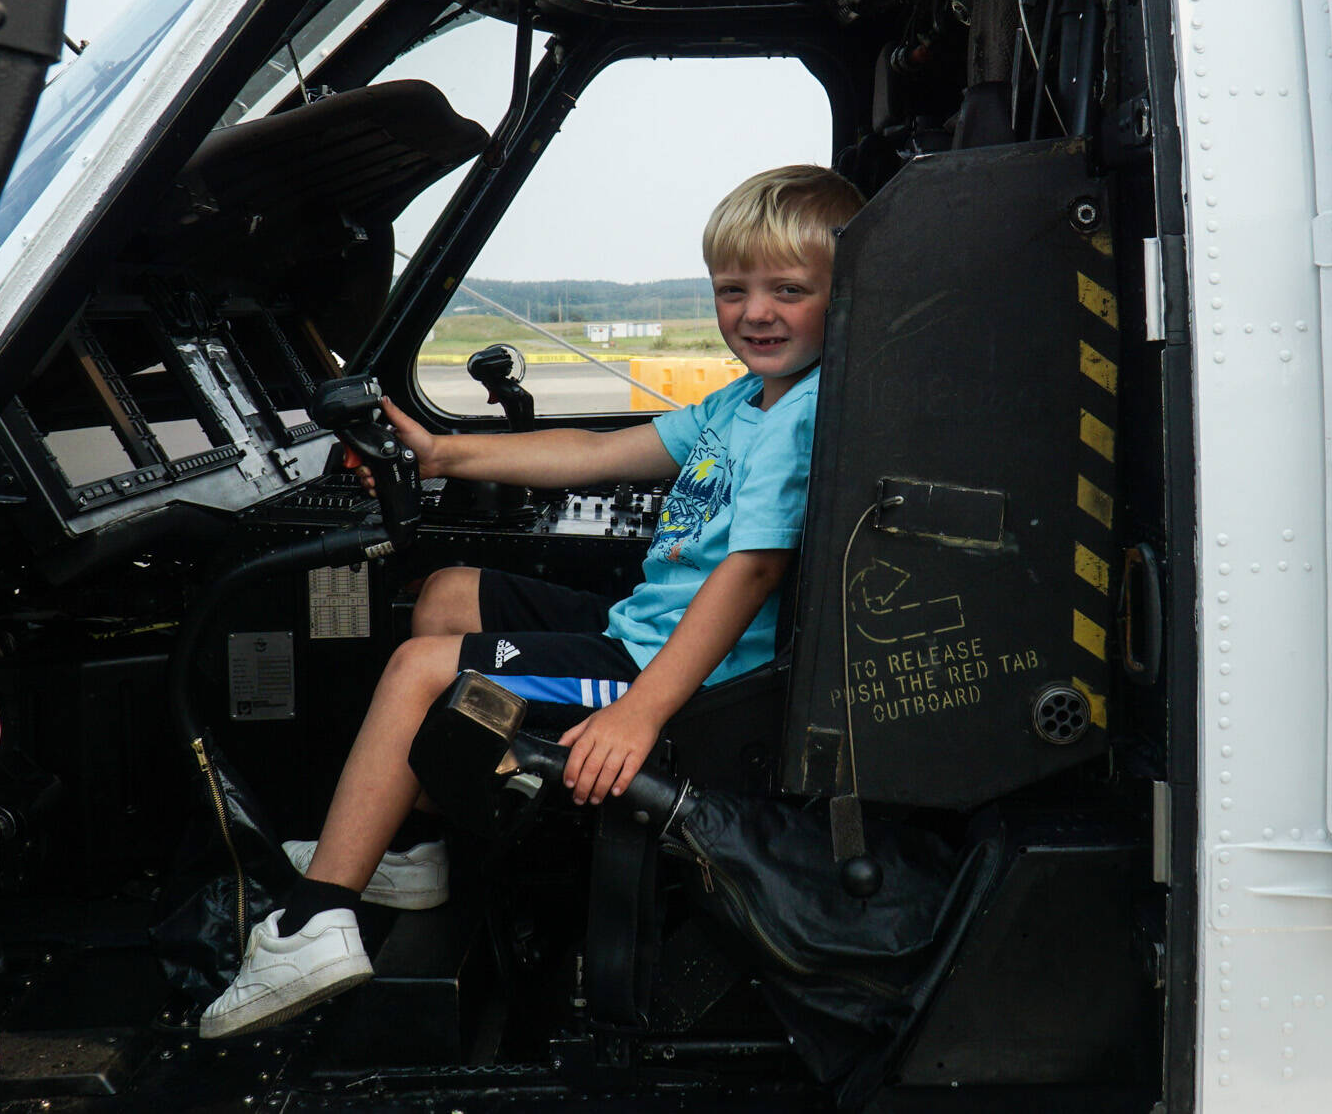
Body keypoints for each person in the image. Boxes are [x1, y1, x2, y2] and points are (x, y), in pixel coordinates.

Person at [199, 164, 867, 1039]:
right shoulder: (745, 400)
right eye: (733, 289)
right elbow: (598, 453)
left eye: (789, 290)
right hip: (641, 633)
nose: (756, 312)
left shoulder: (798, 417)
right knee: (448, 595)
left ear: (842, 296)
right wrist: (443, 452)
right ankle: (411, 842)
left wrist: (638, 713)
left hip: (680, 680)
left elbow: (752, 573)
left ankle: (315, 922)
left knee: (417, 669)